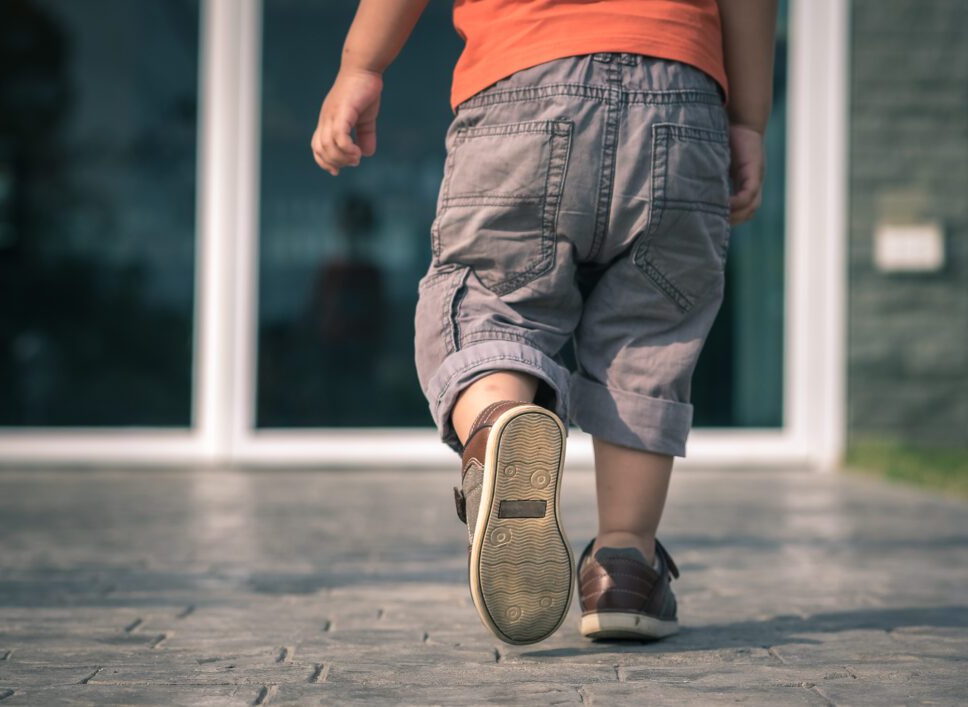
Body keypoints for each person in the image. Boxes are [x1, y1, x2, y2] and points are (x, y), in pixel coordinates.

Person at [312, 0, 777, 645]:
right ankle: (625, 565)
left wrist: (361, 65)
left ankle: (497, 427)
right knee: (649, 334)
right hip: (683, 103)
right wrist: (749, 120)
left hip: (524, 88)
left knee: (494, 301)